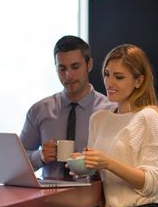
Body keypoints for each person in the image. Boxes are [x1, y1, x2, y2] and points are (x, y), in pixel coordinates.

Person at [73, 43, 158, 207]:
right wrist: (83, 164)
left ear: (139, 81)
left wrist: (107, 162)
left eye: (119, 77)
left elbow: (153, 183)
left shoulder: (148, 117)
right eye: (107, 74)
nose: (109, 83)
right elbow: (96, 170)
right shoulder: (99, 119)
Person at [20, 35, 114, 180]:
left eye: (75, 67)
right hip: (48, 199)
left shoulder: (111, 111)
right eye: (62, 68)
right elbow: (18, 162)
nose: (68, 75)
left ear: (89, 65)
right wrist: (40, 156)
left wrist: (95, 163)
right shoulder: (39, 110)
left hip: (93, 198)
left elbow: (122, 163)